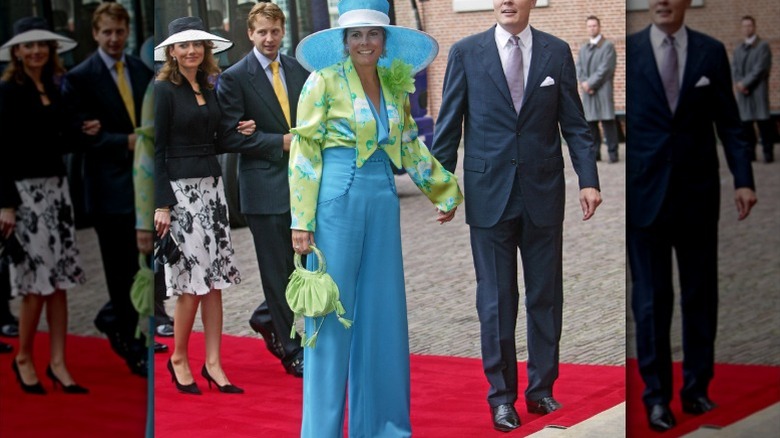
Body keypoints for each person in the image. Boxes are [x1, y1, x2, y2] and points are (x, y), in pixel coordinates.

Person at [289, 0, 462, 435]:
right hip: (335, 202)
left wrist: (443, 190)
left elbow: (408, 145)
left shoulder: (393, 85)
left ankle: (383, 427)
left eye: (373, 34)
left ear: (384, 41)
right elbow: (305, 152)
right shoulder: (322, 81)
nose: (365, 42)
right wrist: (301, 220)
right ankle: (321, 430)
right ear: (343, 42)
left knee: (383, 315)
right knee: (329, 319)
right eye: (356, 35)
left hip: (382, 198)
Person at [430, 0, 602, 432]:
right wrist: (442, 187)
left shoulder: (556, 51)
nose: (506, 1)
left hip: (543, 193)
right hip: (489, 197)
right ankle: (501, 398)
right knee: (496, 301)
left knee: (545, 297)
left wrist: (589, 179)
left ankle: (541, 389)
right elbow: (449, 125)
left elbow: (576, 125)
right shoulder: (466, 52)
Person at [626, 0, 757, 432]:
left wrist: (743, 179)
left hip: (698, 198)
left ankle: (697, 388)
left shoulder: (710, 51)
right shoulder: (630, 51)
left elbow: (731, 124)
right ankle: (657, 398)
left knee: (700, 296)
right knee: (651, 302)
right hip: (644, 200)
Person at [154, 16, 254, 395]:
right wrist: (162, 204)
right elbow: (155, 151)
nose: (192, 50)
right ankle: (179, 357)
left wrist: (239, 131)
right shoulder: (162, 91)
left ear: (206, 49)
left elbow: (213, 140)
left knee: (215, 283)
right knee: (191, 285)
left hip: (212, 191)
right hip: (180, 196)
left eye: (197, 44)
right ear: (172, 52)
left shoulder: (209, 86)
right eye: (183, 45)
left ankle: (213, 363)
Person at [0, 16, 94, 394]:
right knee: (35, 286)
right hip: (23, 196)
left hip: (57, 192)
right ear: (17, 52)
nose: (36, 50)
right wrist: (5, 204)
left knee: (59, 284)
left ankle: (58, 362)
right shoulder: (7, 91)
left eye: (42, 44)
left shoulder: (56, 86)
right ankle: (24, 356)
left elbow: (58, 140)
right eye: (28, 44)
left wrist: (81, 131)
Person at [215, 1, 309, 376]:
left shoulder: (298, 69)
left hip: (302, 185)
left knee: (299, 265)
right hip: (263, 188)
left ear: (282, 31)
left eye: (275, 31)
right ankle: (290, 349)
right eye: (262, 32)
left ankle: (266, 315)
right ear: (250, 34)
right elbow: (226, 137)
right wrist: (277, 143)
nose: (269, 38)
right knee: (276, 269)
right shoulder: (236, 77)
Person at [60, 2, 153, 377]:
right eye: (107, 32)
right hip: (107, 189)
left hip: (141, 186)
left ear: (127, 31)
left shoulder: (139, 69)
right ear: (95, 35)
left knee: (139, 266)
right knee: (118, 268)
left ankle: (116, 319)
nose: (114, 39)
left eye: (119, 31)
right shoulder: (80, 77)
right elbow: (78, 137)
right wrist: (125, 142)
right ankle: (131, 343)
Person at [731, 15, 774, 163]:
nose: (747, 28)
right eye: (744, 26)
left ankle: (768, 153)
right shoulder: (738, 49)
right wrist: (738, 83)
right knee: (746, 125)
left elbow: (760, 68)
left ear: (754, 27)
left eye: (749, 25)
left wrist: (745, 83)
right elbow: (734, 67)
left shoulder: (762, 46)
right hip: (743, 92)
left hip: (757, 90)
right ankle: (750, 154)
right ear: (741, 28)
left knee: (764, 124)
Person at [576, 15, 619, 163]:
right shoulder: (583, 48)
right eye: (589, 26)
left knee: (608, 122)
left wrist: (591, 84)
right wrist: (584, 83)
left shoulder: (607, 46)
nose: (592, 28)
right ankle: (595, 154)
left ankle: (613, 153)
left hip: (602, 90)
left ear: (599, 27)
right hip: (588, 92)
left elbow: (606, 68)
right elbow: (579, 68)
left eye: (594, 25)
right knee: (591, 123)